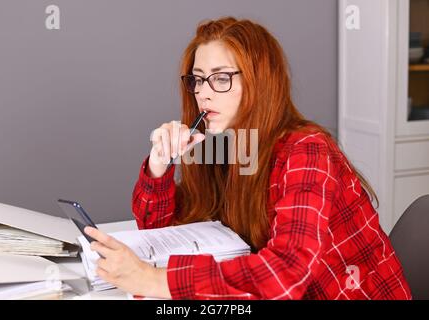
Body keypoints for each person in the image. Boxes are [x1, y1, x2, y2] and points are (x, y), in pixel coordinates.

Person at [84, 17, 411, 300]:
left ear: (260, 81)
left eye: (221, 78)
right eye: (197, 79)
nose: (203, 92)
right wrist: (159, 165)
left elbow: (286, 273)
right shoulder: (227, 143)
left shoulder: (307, 149)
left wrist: (152, 279)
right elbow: (158, 232)